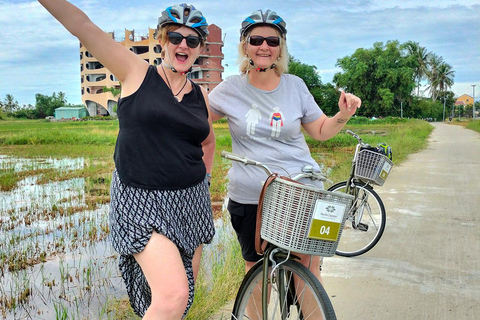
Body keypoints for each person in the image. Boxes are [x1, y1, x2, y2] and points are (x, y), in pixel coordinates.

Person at [37, 1, 216, 319]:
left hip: (192, 202)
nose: (183, 45)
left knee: (181, 299)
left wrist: (206, 179)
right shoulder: (136, 72)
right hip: (140, 200)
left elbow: (207, 140)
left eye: (192, 39)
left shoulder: (199, 94)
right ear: (162, 41)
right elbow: (82, 26)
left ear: (200, 47)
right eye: (175, 37)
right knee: (173, 296)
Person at [208, 8, 361, 318]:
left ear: (281, 47)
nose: (264, 46)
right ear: (245, 45)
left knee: (309, 264)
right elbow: (196, 123)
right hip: (252, 195)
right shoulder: (230, 89)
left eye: (272, 41)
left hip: (302, 191)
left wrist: (343, 114)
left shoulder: (295, 86)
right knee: (256, 269)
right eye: (257, 40)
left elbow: (320, 130)